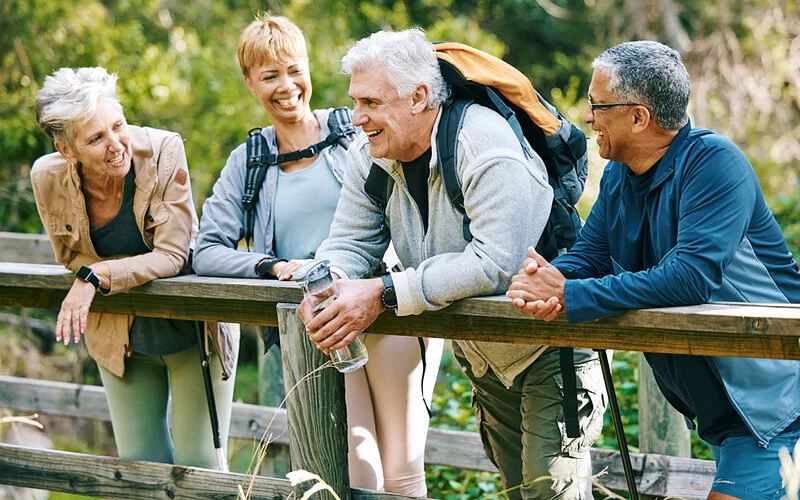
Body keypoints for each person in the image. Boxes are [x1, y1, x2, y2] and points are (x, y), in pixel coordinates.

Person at [300, 28, 606, 499]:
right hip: (486, 357)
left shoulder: (484, 141)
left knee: (550, 494)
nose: (356, 117)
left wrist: (382, 294)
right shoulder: (370, 155)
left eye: (370, 103)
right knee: (519, 491)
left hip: (552, 347)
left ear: (418, 97)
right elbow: (348, 242)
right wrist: (332, 284)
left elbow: (495, 264)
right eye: (354, 102)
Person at [507, 40, 800, 500]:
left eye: (596, 105)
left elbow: (690, 277)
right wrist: (548, 279)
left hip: (778, 404)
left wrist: (572, 296)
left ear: (638, 117)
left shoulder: (714, 164)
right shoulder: (621, 174)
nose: (587, 117)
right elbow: (592, 254)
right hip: (730, 412)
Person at [192, 16, 443, 496]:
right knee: (350, 461)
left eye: (293, 70)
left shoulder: (355, 129)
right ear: (249, 83)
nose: (286, 87)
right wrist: (270, 266)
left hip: (386, 302)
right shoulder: (249, 160)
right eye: (269, 76)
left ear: (308, 68)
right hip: (318, 326)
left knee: (402, 466)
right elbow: (206, 251)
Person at [30, 67, 239, 469]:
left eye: (118, 125)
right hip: (119, 338)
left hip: (193, 336)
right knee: (141, 470)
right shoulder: (47, 177)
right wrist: (90, 273)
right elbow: (70, 258)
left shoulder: (163, 151)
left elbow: (174, 254)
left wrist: (97, 276)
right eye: (96, 138)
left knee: (202, 471)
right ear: (66, 150)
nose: (115, 145)